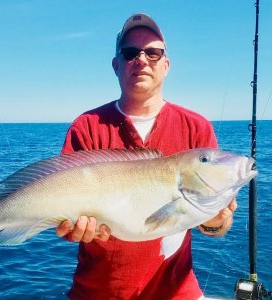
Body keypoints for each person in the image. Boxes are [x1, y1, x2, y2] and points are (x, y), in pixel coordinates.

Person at [56, 13, 237, 300]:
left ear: (166, 65)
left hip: (178, 293)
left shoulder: (197, 127)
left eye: (153, 53)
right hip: (96, 293)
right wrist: (73, 229)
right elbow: (63, 214)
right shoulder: (86, 126)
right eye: (130, 53)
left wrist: (216, 219)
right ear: (116, 66)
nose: (141, 59)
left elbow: (216, 226)